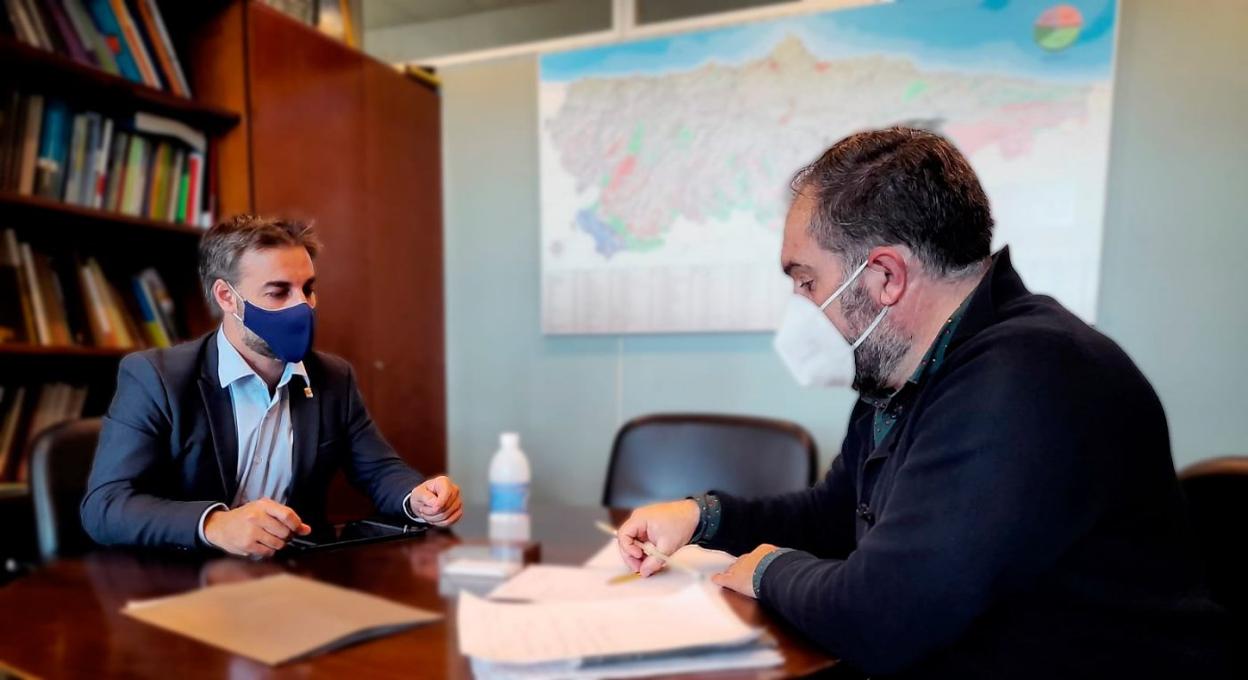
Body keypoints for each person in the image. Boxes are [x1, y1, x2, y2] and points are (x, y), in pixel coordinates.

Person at [615, 128, 1234, 678]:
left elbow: (879, 617)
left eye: (807, 280)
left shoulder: (1030, 376)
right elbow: (838, 514)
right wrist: (704, 517)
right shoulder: (906, 369)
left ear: (884, 276)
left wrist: (767, 569)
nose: (802, 304)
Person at [81, 215, 462, 558]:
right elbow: (106, 506)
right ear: (227, 297)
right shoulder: (156, 377)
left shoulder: (333, 378)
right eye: (279, 292)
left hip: (295, 578)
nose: (304, 306)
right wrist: (215, 524)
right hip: (189, 583)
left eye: (308, 289)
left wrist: (419, 498)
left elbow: (379, 471)